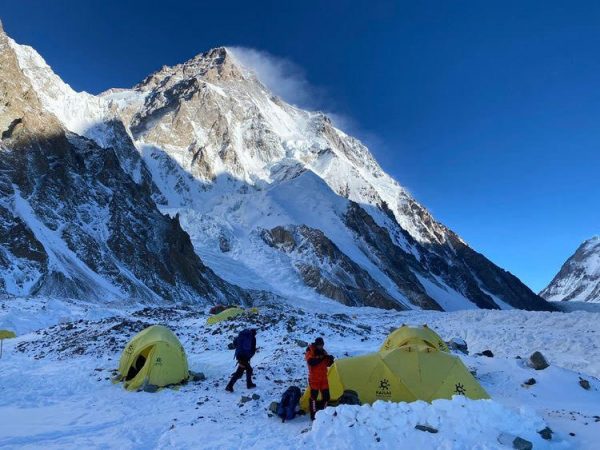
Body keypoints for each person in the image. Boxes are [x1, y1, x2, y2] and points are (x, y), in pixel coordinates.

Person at [305, 337, 334, 420]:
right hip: (314, 379)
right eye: (319, 345)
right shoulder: (310, 350)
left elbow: (328, 364)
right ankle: (313, 416)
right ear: (316, 344)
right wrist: (322, 358)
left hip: (323, 378)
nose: (321, 347)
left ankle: (323, 412)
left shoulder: (323, 352)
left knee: (326, 397)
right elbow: (311, 362)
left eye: (322, 345)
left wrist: (330, 359)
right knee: (313, 397)